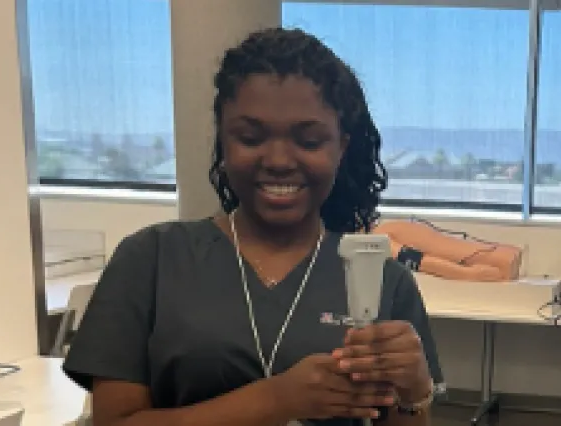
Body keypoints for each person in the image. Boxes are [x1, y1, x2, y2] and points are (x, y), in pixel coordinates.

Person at [63, 27, 444, 426]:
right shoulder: (151, 260)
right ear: (223, 141)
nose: (279, 159)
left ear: (341, 147)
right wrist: (274, 402)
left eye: (309, 141)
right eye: (250, 136)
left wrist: (414, 394)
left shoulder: (384, 282)